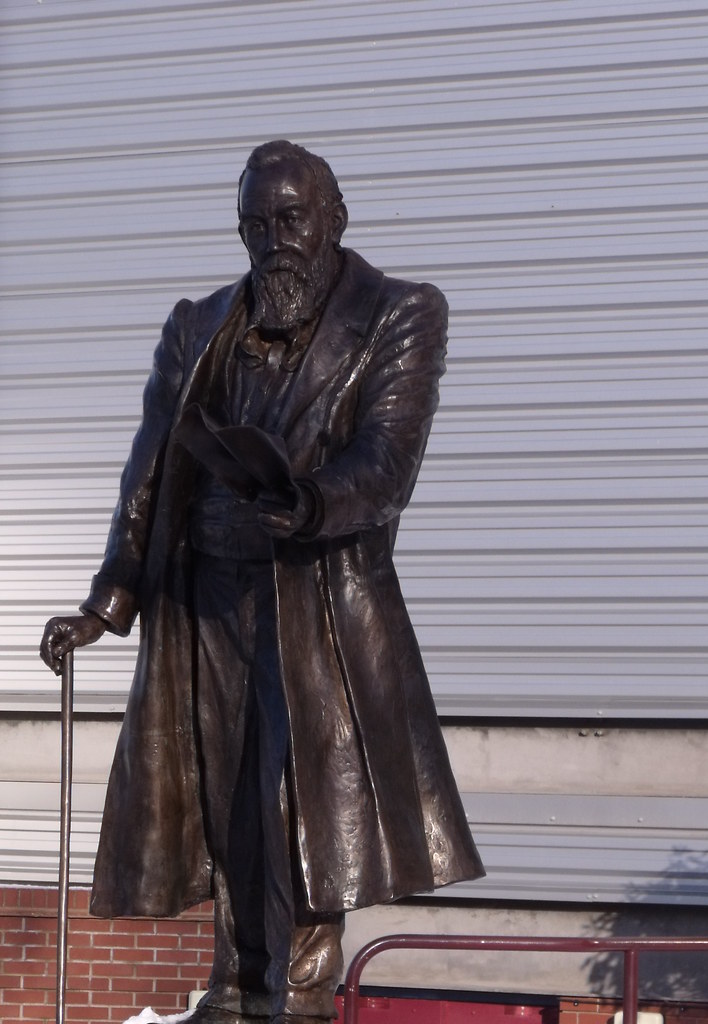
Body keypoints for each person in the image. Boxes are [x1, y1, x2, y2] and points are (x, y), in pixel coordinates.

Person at [40, 140, 484, 1024]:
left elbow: (387, 459)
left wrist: (311, 501)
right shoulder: (196, 325)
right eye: (256, 224)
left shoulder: (402, 314)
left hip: (318, 607)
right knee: (225, 798)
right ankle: (238, 991)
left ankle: (302, 997)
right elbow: (151, 470)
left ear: (333, 219)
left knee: (303, 806)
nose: (274, 241)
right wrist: (107, 601)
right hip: (206, 603)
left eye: (291, 219)